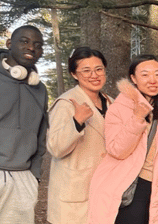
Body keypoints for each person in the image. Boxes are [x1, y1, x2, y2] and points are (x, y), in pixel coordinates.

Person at [88, 55, 158, 224]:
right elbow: (117, 150)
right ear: (133, 78)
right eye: (145, 74)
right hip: (127, 185)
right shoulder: (119, 108)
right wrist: (137, 119)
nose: (153, 80)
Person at [47, 47, 113, 223]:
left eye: (99, 69)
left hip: (104, 192)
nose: (94, 75)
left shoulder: (111, 102)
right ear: (74, 74)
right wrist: (76, 122)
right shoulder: (66, 103)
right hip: (74, 197)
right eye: (86, 70)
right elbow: (55, 147)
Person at [0, 25, 47, 223]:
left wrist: (34, 175)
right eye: (24, 41)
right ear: (9, 44)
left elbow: (41, 137)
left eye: (37, 45)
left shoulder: (39, 89)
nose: (31, 48)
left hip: (23, 178)